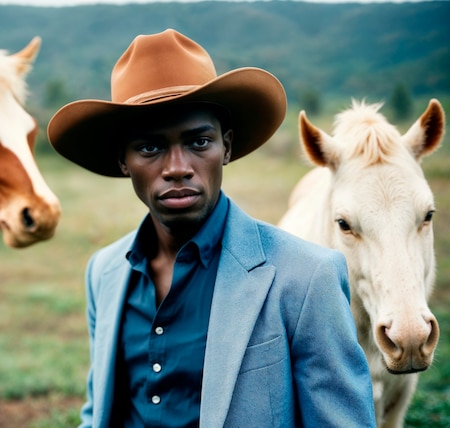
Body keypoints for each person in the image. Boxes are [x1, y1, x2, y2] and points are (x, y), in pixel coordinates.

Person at [48, 29, 375, 427]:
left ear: (227, 146)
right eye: (150, 148)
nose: (177, 168)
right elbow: (99, 409)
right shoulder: (104, 272)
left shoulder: (306, 278)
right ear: (123, 161)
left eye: (199, 142)